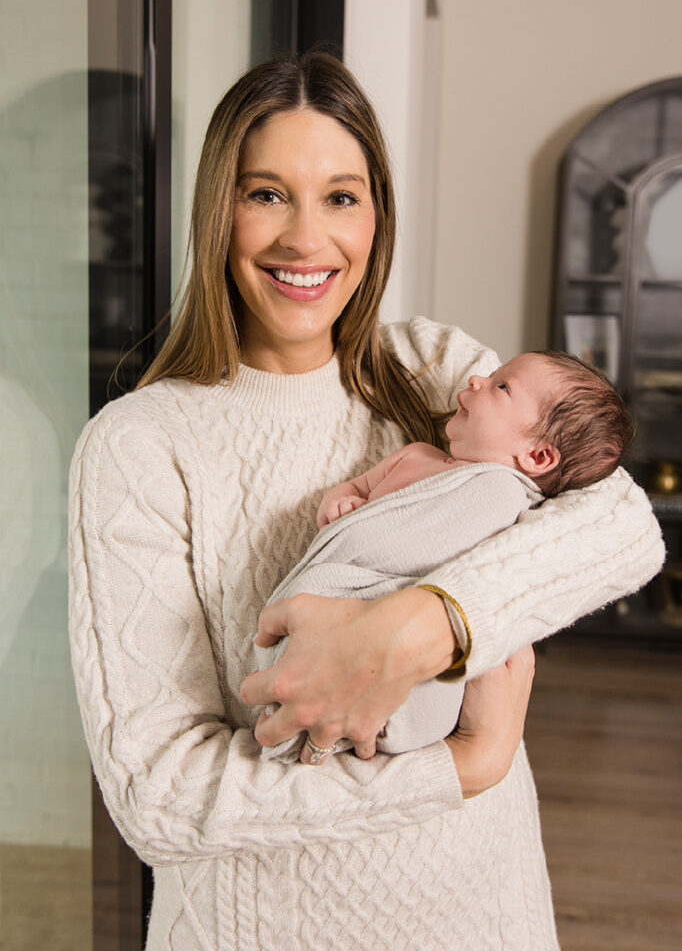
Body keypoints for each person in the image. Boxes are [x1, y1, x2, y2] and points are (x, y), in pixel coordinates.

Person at [68, 51, 664, 951]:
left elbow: (621, 527)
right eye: (266, 193)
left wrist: (423, 628)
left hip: (486, 915)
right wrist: (460, 765)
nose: (306, 241)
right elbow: (161, 798)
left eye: (341, 197)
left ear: (376, 216)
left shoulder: (433, 372)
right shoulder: (141, 446)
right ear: (216, 211)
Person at [260, 350, 635, 762]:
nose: (477, 379)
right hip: (352, 578)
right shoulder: (416, 455)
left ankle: (366, 717)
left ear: (538, 457)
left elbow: (506, 568)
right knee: (311, 601)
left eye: (501, 386)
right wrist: (340, 504)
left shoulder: (508, 496)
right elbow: (355, 489)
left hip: (399, 608)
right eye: (490, 375)